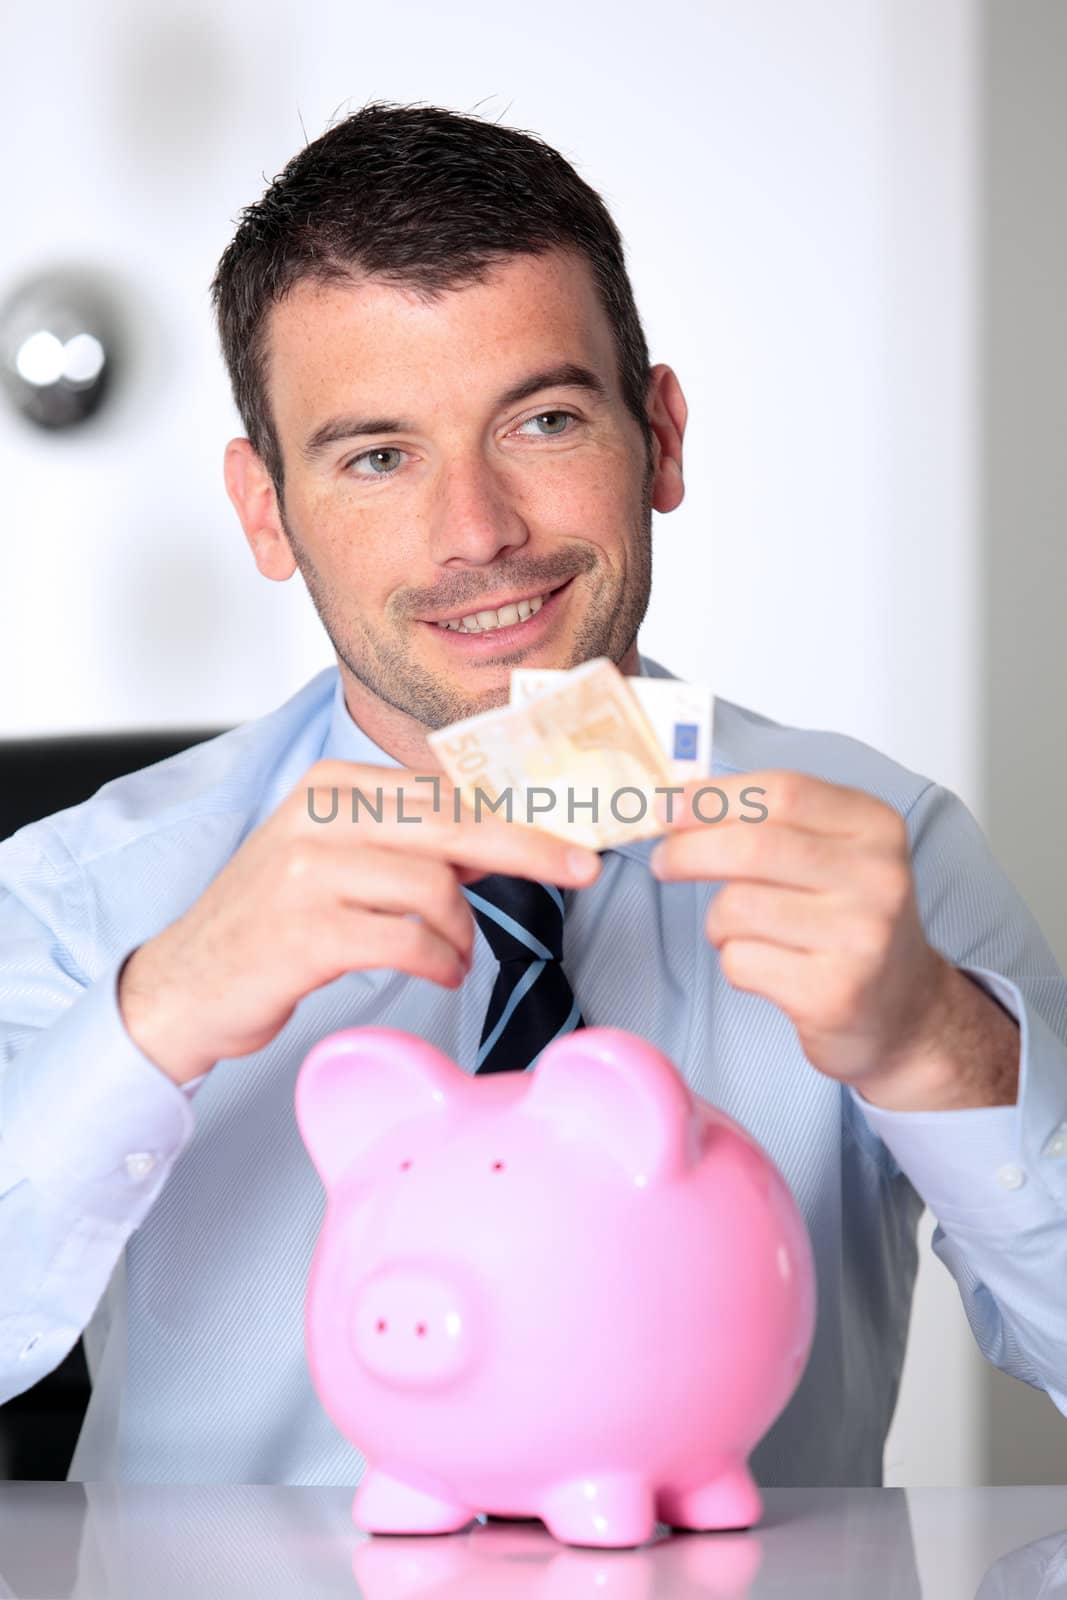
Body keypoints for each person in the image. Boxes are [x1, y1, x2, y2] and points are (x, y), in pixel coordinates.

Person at [1, 101, 1065, 1497]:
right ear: (266, 512)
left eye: (545, 419)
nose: (478, 533)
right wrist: (156, 1017)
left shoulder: (882, 848)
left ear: (661, 437)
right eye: (378, 455)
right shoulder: (87, 889)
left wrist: (941, 1043)